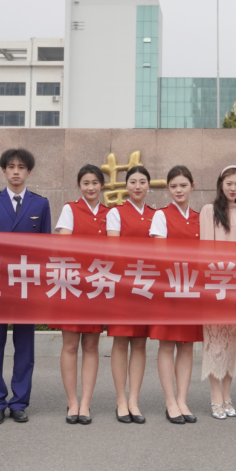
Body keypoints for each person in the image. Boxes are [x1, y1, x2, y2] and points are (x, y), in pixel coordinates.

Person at [0, 148, 51, 425]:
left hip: (26, 285)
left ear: (29, 172)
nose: (16, 171)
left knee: (24, 346)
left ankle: (19, 402)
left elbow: (45, 249)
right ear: (3, 171)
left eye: (21, 167)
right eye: (11, 167)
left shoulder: (40, 204)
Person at [54, 164, 109, 425]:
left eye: (95, 182)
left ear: (102, 185)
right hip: (73, 285)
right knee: (70, 345)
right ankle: (72, 401)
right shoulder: (70, 209)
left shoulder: (110, 213)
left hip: (97, 286)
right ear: (79, 185)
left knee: (91, 345)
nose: (90, 187)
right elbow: (64, 246)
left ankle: (85, 402)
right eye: (86, 183)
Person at [199, 165, 236, 419]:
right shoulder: (209, 211)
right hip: (216, 283)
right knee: (214, 342)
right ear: (221, 184)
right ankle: (215, 396)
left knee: (234, 341)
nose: (233, 188)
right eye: (229, 183)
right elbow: (205, 251)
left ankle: (227, 394)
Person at [149, 165, 203, 424]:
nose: (178, 190)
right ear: (168, 189)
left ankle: (183, 399)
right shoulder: (161, 215)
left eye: (183, 185)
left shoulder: (200, 218)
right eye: (173, 186)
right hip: (168, 288)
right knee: (167, 344)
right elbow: (160, 255)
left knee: (187, 345)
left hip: (192, 289)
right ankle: (170, 401)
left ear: (192, 187)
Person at [107, 164, 155, 424]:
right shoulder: (116, 212)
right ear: (126, 185)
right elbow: (114, 250)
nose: (137, 186)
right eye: (133, 182)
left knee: (139, 342)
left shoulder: (155, 214)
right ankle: (120, 399)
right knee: (120, 341)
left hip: (146, 286)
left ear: (148, 186)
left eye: (142, 182)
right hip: (123, 285)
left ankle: (134, 400)